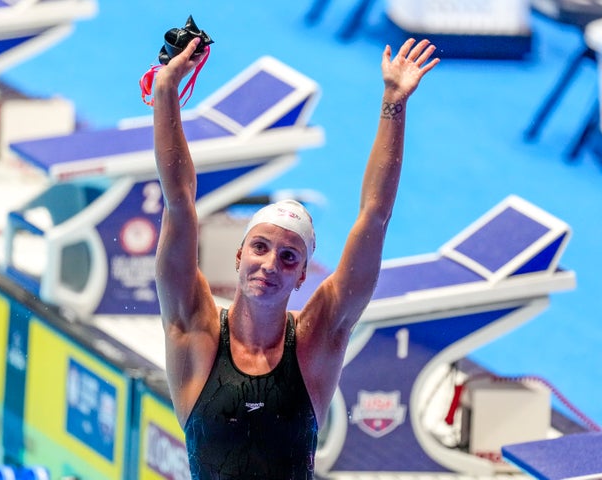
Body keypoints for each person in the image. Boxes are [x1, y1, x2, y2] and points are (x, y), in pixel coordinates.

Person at [153, 35, 439, 479]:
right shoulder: (197, 330)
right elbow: (179, 201)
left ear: (303, 275)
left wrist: (393, 103)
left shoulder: (317, 340)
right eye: (260, 248)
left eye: (288, 258)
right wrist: (166, 93)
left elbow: (374, 217)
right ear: (238, 254)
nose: (269, 265)